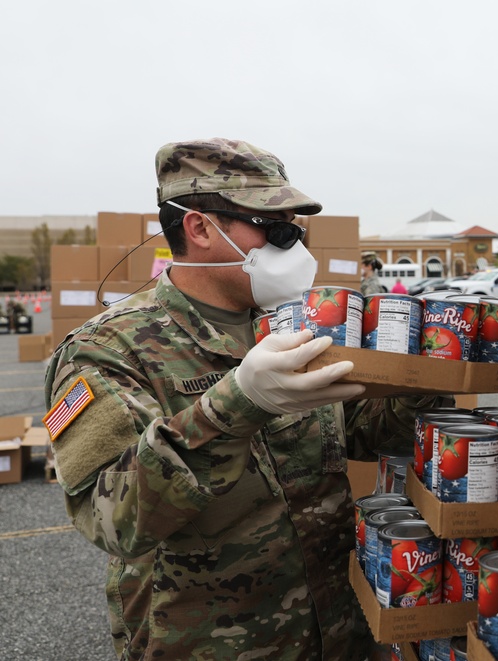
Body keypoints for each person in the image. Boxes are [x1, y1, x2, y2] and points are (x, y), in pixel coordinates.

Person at [43, 138, 447, 660]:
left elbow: (362, 434)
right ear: (200, 227)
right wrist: (235, 405)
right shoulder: (105, 351)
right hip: (208, 645)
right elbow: (114, 517)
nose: (294, 248)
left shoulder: (290, 324)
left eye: (298, 231)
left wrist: (427, 373)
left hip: (335, 634)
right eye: (274, 228)